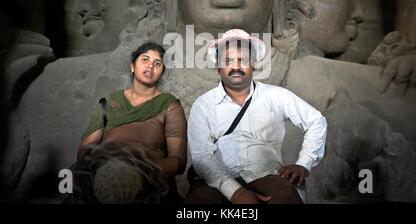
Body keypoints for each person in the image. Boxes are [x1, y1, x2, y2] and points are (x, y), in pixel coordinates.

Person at [185, 29, 327, 204]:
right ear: (218, 68)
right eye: (228, 61)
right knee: (198, 204)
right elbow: (202, 157)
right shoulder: (203, 104)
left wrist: (304, 163)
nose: (236, 66)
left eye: (243, 60)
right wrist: (236, 193)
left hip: (268, 177)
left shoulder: (276, 96)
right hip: (218, 182)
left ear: (253, 64)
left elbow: (316, 121)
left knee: (284, 198)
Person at [72, 42, 187, 203]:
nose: (150, 66)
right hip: (105, 168)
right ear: (132, 66)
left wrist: (144, 169)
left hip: (147, 175)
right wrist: (104, 167)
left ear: (161, 73)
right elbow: (84, 150)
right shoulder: (108, 102)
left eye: (157, 63)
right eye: (145, 59)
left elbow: (179, 161)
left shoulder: (170, 106)